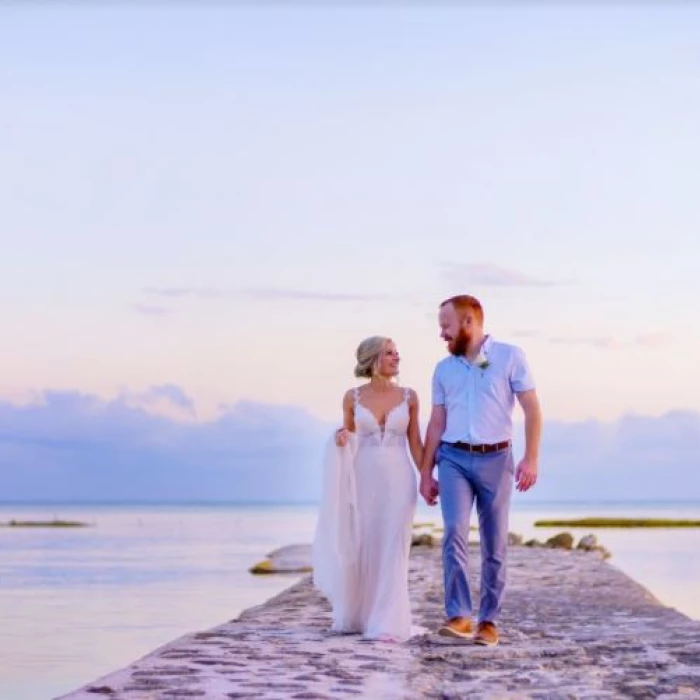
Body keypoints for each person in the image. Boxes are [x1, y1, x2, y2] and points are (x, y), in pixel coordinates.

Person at [419, 295, 542, 647]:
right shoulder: (443, 369)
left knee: (494, 542)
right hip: (454, 458)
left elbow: (532, 410)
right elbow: (436, 421)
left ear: (468, 321)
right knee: (454, 531)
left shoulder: (510, 356)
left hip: (497, 459)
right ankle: (459, 615)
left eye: (446, 326)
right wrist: (426, 473)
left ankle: (488, 621)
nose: (442, 334)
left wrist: (530, 458)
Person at [312, 336, 423, 642]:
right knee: (364, 542)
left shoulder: (410, 396)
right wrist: (340, 438)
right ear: (374, 359)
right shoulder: (352, 397)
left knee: (393, 545)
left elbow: (416, 442)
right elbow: (348, 433)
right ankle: (361, 614)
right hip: (364, 477)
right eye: (390, 353)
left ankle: (388, 620)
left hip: (400, 478)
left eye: (397, 352)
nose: (397, 357)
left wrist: (428, 476)